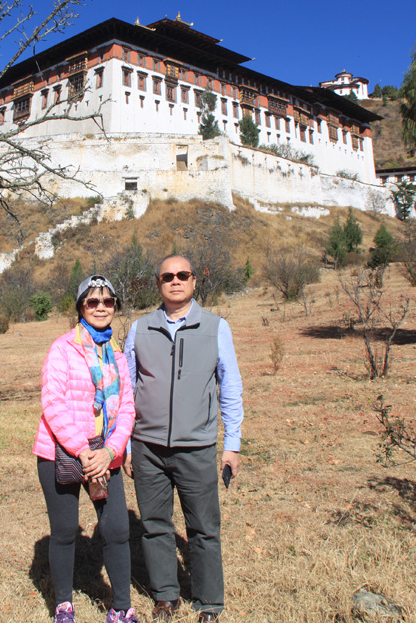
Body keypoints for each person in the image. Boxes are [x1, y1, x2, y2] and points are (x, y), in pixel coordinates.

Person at [123, 255, 243, 622]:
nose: (175, 281)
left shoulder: (216, 327)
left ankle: (209, 602)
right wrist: (126, 446)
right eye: (168, 276)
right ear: (158, 283)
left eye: (182, 275)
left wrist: (232, 444)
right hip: (147, 447)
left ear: (193, 280)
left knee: (204, 528)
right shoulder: (139, 329)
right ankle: (165, 596)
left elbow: (230, 387)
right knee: (154, 525)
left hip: (197, 447)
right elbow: (126, 390)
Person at [33, 275, 139, 623]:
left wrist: (109, 452)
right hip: (62, 452)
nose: (101, 307)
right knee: (65, 532)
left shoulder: (117, 354)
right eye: (93, 301)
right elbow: (53, 403)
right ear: (81, 307)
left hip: (105, 453)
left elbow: (127, 407)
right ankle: (63, 605)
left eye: (108, 301)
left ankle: (121, 608)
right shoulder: (62, 348)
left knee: (117, 530)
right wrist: (82, 450)